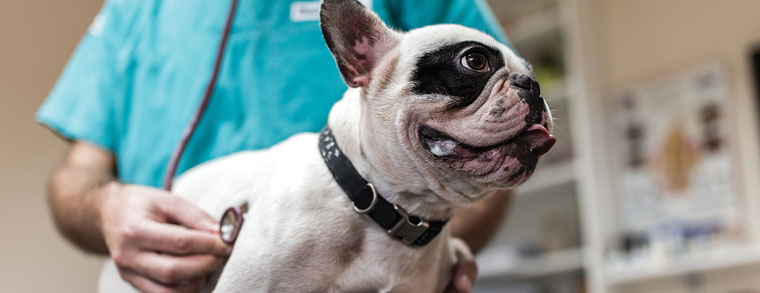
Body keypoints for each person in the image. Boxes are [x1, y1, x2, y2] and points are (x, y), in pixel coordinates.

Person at [38, 0, 514, 292]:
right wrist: (107, 208)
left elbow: (490, 133)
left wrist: (420, 253)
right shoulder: (133, 10)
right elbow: (78, 177)